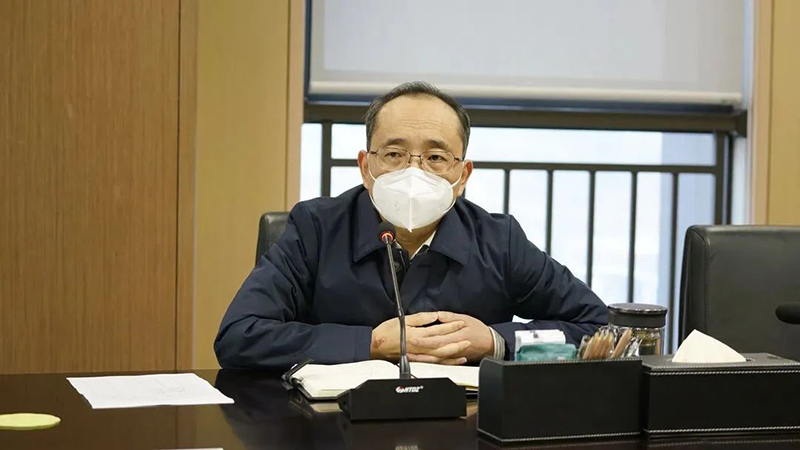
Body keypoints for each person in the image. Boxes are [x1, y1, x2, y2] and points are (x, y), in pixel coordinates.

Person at [215, 81, 607, 369]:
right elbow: (239, 335)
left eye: (436, 157)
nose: (413, 172)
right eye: (394, 154)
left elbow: (597, 325)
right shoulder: (315, 228)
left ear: (463, 175)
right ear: (365, 167)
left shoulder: (498, 241)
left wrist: (495, 341)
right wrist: (370, 343)